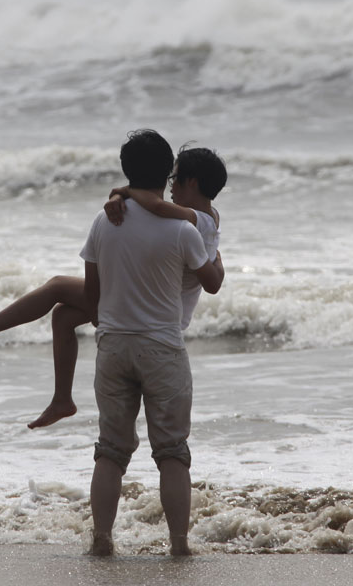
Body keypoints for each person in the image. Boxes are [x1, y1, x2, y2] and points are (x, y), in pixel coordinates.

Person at [0, 144, 227, 429]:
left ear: (192, 183)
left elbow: (155, 206)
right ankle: (61, 400)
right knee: (63, 316)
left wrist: (123, 192)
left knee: (57, 285)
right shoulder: (209, 217)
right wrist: (122, 193)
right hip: (146, 305)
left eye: (175, 179)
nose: (170, 188)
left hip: (150, 309)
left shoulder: (196, 221)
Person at [79, 129, 221, 557]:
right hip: (161, 346)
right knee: (172, 452)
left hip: (114, 344)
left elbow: (91, 296)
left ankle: (102, 538)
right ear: (167, 175)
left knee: (111, 450)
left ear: (126, 171)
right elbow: (212, 281)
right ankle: (179, 544)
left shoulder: (105, 220)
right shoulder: (182, 229)